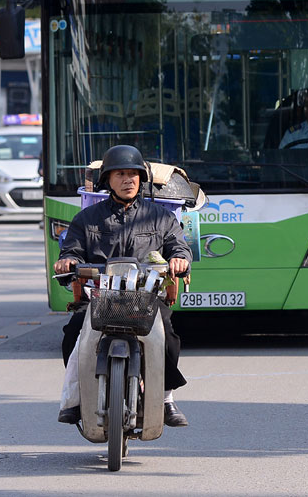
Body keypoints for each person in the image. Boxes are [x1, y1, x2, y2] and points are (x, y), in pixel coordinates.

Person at [54, 144, 192, 427]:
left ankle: (165, 399)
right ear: (108, 180)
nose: (127, 180)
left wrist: (179, 258)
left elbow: (179, 246)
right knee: (72, 335)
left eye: (133, 174)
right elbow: (72, 251)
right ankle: (76, 399)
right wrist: (67, 260)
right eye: (120, 174)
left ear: (141, 179)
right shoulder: (87, 219)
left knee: (168, 335)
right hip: (99, 296)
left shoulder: (161, 217)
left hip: (146, 297)